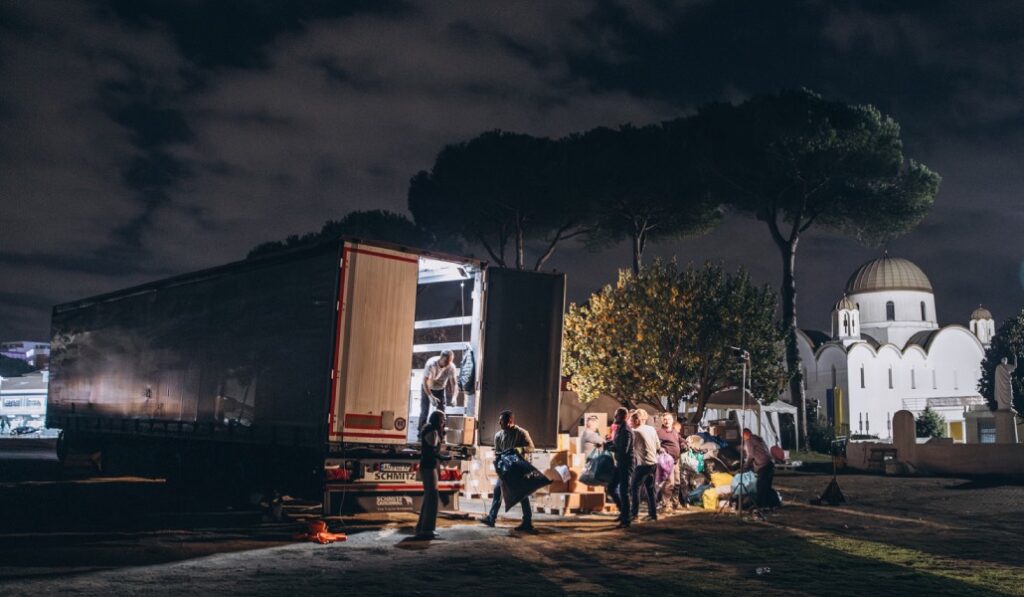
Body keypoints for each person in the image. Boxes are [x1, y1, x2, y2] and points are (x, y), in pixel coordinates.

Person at [480, 410, 536, 532]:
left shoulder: (521, 433)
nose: (500, 423)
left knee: (522, 495)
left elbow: (531, 448)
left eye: (502, 420)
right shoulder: (498, 436)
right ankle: (491, 518)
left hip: (518, 469)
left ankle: (527, 522)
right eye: (500, 421)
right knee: (497, 492)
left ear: (510, 421)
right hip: (505, 469)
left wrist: (518, 450)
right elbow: (497, 452)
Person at [415, 410, 448, 540]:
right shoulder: (433, 432)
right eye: (442, 419)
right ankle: (427, 529)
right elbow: (432, 452)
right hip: (429, 467)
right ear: (437, 420)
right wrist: (444, 457)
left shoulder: (429, 429)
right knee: (433, 497)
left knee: (428, 497)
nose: (444, 422)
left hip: (427, 466)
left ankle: (421, 527)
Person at [630, 409, 660, 522]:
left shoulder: (635, 431)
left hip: (643, 464)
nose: (631, 421)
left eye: (633, 419)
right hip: (653, 463)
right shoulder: (651, 429)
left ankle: (634, 514)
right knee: (650, 489)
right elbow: (658, 445)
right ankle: (653, 515)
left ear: (638, 419)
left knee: (634, 487)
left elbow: (629, 448)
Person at [607, 407, 633, 528]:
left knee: (624, 491)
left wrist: (612, 448)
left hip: (626, 464)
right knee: (611, 487)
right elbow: (616, 443)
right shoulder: (619, 429)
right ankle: (623, 512)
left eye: (617, 415)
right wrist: (607, 444)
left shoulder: (626, 430)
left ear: (623, 417)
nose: (615, 417)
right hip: (619, 463)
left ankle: (626, 519)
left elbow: (624, 449)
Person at [420, 350, 458, 430]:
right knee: (424, 411)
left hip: (440, 389)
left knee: (442, 413)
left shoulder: (451, 367)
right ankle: (421, 434)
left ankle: (440, 434)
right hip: (427, 387)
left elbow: (454, 384)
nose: (448, 363)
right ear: (441, 358)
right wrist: (430, 396)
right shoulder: (431, 364)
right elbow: (425, 381)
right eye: (446, 361)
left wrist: (454, 397)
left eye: (450, 361)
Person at [742, 428, 780, 509]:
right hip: (769, 464)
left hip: (763, 465)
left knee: (761, 487)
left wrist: (745, 466)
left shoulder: (749, 440)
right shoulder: (758, 439)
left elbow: (751, 455)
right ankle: (771, 504)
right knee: (767, 486)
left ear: (745, 435)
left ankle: (761, 505)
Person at [656, 413, 682, 511]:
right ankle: (666, 504)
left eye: (669, 419)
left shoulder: (674, 431)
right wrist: (662, 449)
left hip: (676, 461)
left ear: (672, 421)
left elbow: (680, 439)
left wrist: (684, 443)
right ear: (662, 421)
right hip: (667, 461)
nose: (667, 421)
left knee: (677, 482)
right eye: (665, 419)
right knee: (669, 483)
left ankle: (675, 502)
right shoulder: (659, 433)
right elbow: (657, 445)